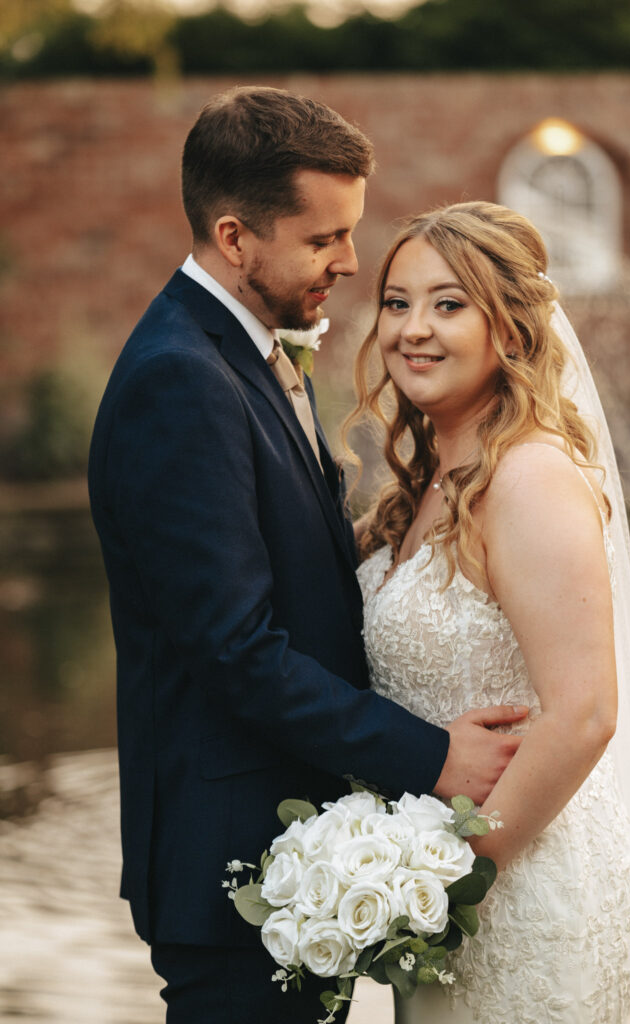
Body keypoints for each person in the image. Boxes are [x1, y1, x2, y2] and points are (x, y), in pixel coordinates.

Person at [87, 90, 528, 1023]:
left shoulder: (240, 352)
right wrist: (432, 757)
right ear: (236, 235)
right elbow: (237, 649)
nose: (351, 261)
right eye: (324, 238)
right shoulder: (181, 378)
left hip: (294, 857)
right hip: (232, 862)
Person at [351, 201, 630, 1023]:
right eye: (397, 302)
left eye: (448, 303)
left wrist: (449, 876)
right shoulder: (423, 484)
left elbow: (585, 714)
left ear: (511, 330)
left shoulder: (529, 477)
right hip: (453, 884)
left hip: (522, 886)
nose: (412, 329)